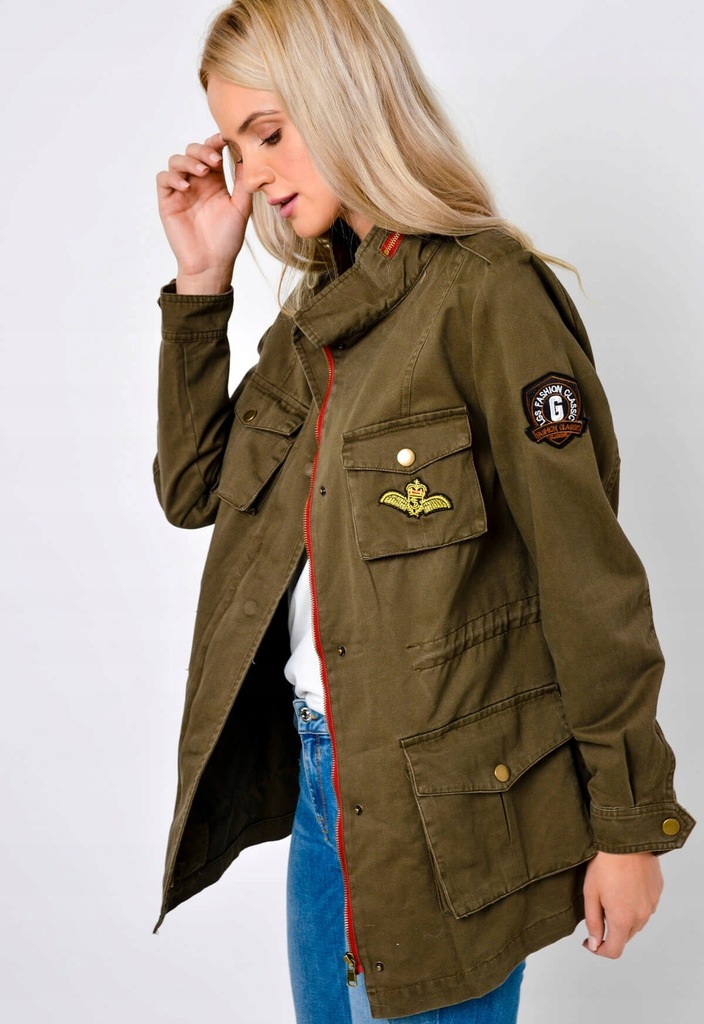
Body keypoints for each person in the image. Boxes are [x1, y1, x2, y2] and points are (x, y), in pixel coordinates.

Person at [152, 2, 695, 1021]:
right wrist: (200, 281)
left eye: (268, 133)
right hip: (328, 795)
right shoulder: (323, 316)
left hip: (444, 817)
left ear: (343, 97)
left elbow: (587, 580)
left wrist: (629, 826)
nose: (252, 174)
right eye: (235, 147)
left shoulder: (488, 294)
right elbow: (196, 492)